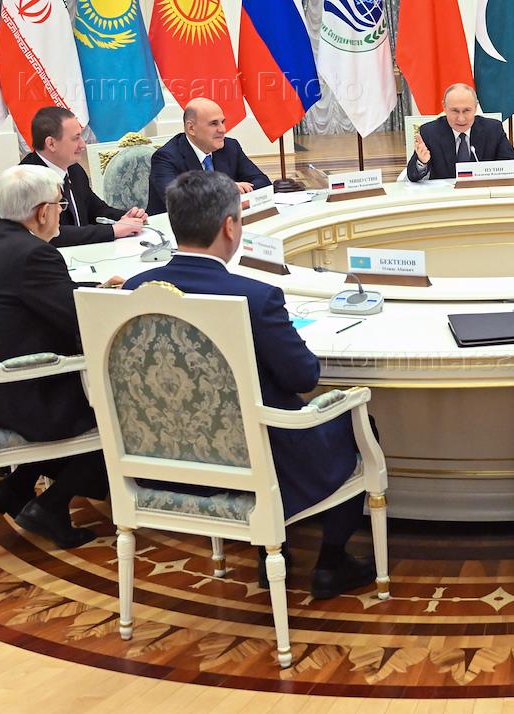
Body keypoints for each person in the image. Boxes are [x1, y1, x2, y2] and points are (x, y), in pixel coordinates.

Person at [123, 171, 374, 599]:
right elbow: (303, 377)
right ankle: (332, 562)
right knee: (356, 424)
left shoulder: (133, 292)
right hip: (261, 464)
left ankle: (269, 550)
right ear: (230, 226)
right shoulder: (255, 297)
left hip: (163, 465)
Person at [0, 165, 122, 548]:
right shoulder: (34, 254)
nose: (62, 211)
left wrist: (95, 289)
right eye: (59, 205)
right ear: (42, 212)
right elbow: (78, 320)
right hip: (16, 392)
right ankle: (51, 505)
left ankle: (15, 486)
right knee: (117, 408)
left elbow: (43, 294)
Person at [20, 107, 146, 247]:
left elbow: (96, 209)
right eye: (76, 138)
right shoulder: (26, 181)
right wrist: (112, 231)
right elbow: (51, 234)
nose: (82, 145)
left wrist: (125, 218)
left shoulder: (74, 169)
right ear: (51, 143)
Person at [147, 98, 270, 214]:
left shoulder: (230, 147)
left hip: (223, 221)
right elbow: (177, 201)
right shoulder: (165, 157)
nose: (222, 129)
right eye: (214, 124)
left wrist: (234, 192)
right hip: (173, 227)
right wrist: (225, 190)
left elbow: (263, 182)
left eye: (222, 122)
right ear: (191, 128)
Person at [405, 83, 514, 181]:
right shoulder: (429, 132)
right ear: (444, 107)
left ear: (475, 107)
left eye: (467, 110)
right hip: (447, 198)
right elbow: (412, 175)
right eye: (455, 111)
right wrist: (422, 162)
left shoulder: (493, 129)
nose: (461, 119)